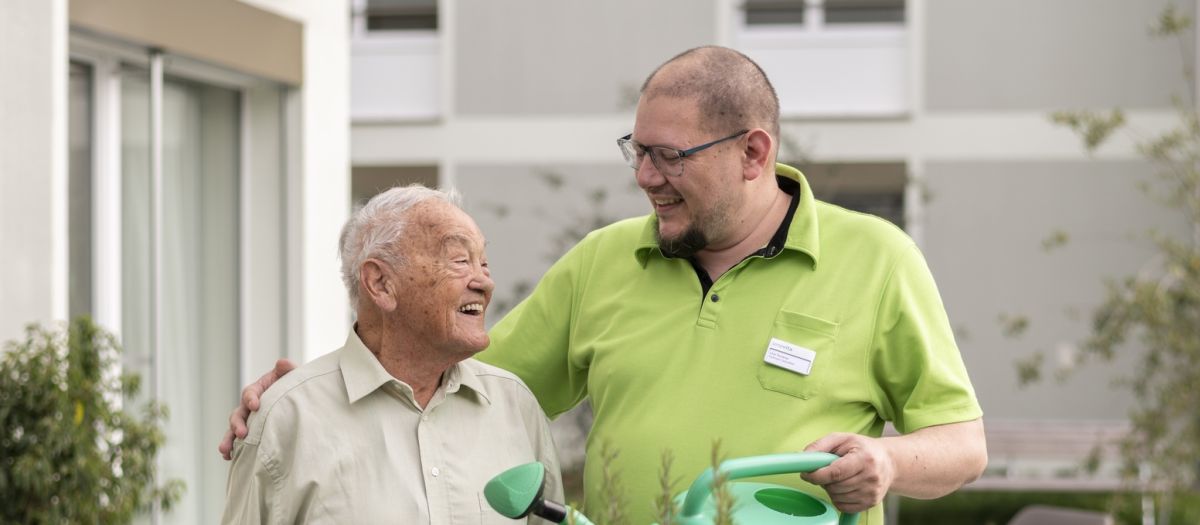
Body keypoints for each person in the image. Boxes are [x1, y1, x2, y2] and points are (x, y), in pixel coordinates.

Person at [223, 46, 985, 524]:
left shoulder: (878, 258)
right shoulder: (603, 261)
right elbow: (456, 385)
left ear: (753, 152)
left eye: (670, 156)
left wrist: (887, 463)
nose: (645, 177)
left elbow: (963, 443)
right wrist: (317, 390)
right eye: (637, 151)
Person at [219, 186, 561, 524]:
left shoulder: (516, 407)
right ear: (380, 283)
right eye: (460, 260)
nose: (485, 283)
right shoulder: (288, 418)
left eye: (483, 263)